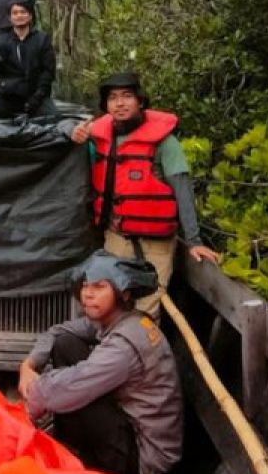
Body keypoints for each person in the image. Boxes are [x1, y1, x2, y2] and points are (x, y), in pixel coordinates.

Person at [18, 251, 183, 474]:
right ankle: (72, 451)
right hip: (127, 425)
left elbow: (70, 386)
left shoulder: (124, 345)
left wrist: (30, 402)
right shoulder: (124, 319)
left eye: (99, 287)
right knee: (66, 342)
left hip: (143, 462)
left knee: (73, 390)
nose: (87, 294)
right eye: (85, 286)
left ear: (123, 293)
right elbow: (56, 332)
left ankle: (84, 464)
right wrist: (28, 365)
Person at [68, 72, 220, 315]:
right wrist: (70, 131)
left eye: (127, 96)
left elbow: (182, 189)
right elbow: (62, 130)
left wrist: (194, 241)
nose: (120, 103)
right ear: (106, 106)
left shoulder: (165, 143)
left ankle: (143, 351)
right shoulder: (98, 136)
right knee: (113, 309)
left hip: (155, 244)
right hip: (116, 238)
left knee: (146, 311)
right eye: (113, 98)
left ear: (140, 101)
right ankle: (111, 352)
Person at [0, 0, 56, 120]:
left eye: (23, 12)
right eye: (15, 13)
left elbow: (48, 72)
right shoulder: (1, 41)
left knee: (53, 119)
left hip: (36, 95)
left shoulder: (42, 39)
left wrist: (37, 97)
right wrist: (0, 58)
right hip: (8, 96)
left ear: (30, 16)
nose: (19, 15)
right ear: (10, 18)